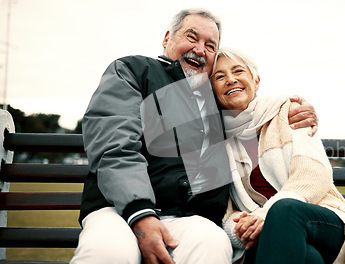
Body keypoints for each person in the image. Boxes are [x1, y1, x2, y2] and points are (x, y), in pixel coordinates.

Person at [71, 8, 318, 264]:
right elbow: (115, 147)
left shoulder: (214, 100)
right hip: (119, 208)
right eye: (192, 37)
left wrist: (293, 109)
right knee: (111, 253)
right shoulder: (133, 70)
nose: (200, 50)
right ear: (167, 38)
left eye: (210, 46)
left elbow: (252, 109)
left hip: (185, 219)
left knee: (212, 244)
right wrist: (141, 214)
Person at [210, 48, 345, 264]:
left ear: (256, 80)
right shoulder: (218, 143)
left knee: (284, 210)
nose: (230, 80)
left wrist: (265, 215)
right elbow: (228, 209)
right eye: (219, 76)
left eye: (238, 71)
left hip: (320, 219)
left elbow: (313, 175)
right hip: (272, 239)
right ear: (213, 90)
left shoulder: (288, 112)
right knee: (308, 259)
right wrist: (241, 229)